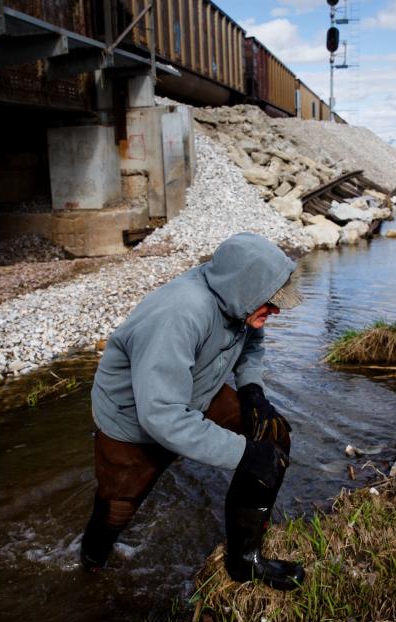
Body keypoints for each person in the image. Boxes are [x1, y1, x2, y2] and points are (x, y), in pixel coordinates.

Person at [81, 232, 305, 591]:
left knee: (273, 436)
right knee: (116, 509)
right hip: (134, 419)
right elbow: (161, 415)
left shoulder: (239, 299)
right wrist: (242, 454)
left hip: (195, 390)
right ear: (243, 291)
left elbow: (252, 342)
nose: (276, 310)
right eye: (271, 302)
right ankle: (89, 569)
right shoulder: (180, 313)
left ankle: (244, 561)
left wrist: (252, 392)